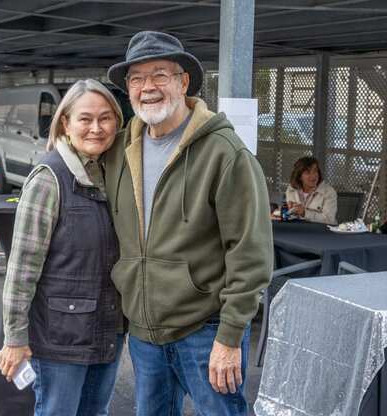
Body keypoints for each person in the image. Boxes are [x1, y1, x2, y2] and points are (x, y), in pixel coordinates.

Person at [105, 31, 273, 415]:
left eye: (160, 75)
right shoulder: (118, 151)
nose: (147, 87)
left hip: (207, 330)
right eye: (136, 78)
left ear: (183, 82)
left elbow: (250, 253)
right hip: (146, 334)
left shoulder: (225, 153)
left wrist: (230, 337)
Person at [0, 79, 125, 416]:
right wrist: (15, 338)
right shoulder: (48, 178)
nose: (96, 128)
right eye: (85, 119)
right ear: (65, 123)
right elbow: (22, 268)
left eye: (105, 118)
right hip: (60, 337)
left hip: (107, 328)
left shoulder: (112, 176)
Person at [285, 156, 338, 224]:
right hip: (297, 230)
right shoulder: (291, 189)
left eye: (315, 171)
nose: (313, 176)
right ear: (299, 176)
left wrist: (304, 213)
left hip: (321, 232)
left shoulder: (329, 192)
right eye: (308, 173)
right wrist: (287, 210)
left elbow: (329, 219)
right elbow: (289, 214)